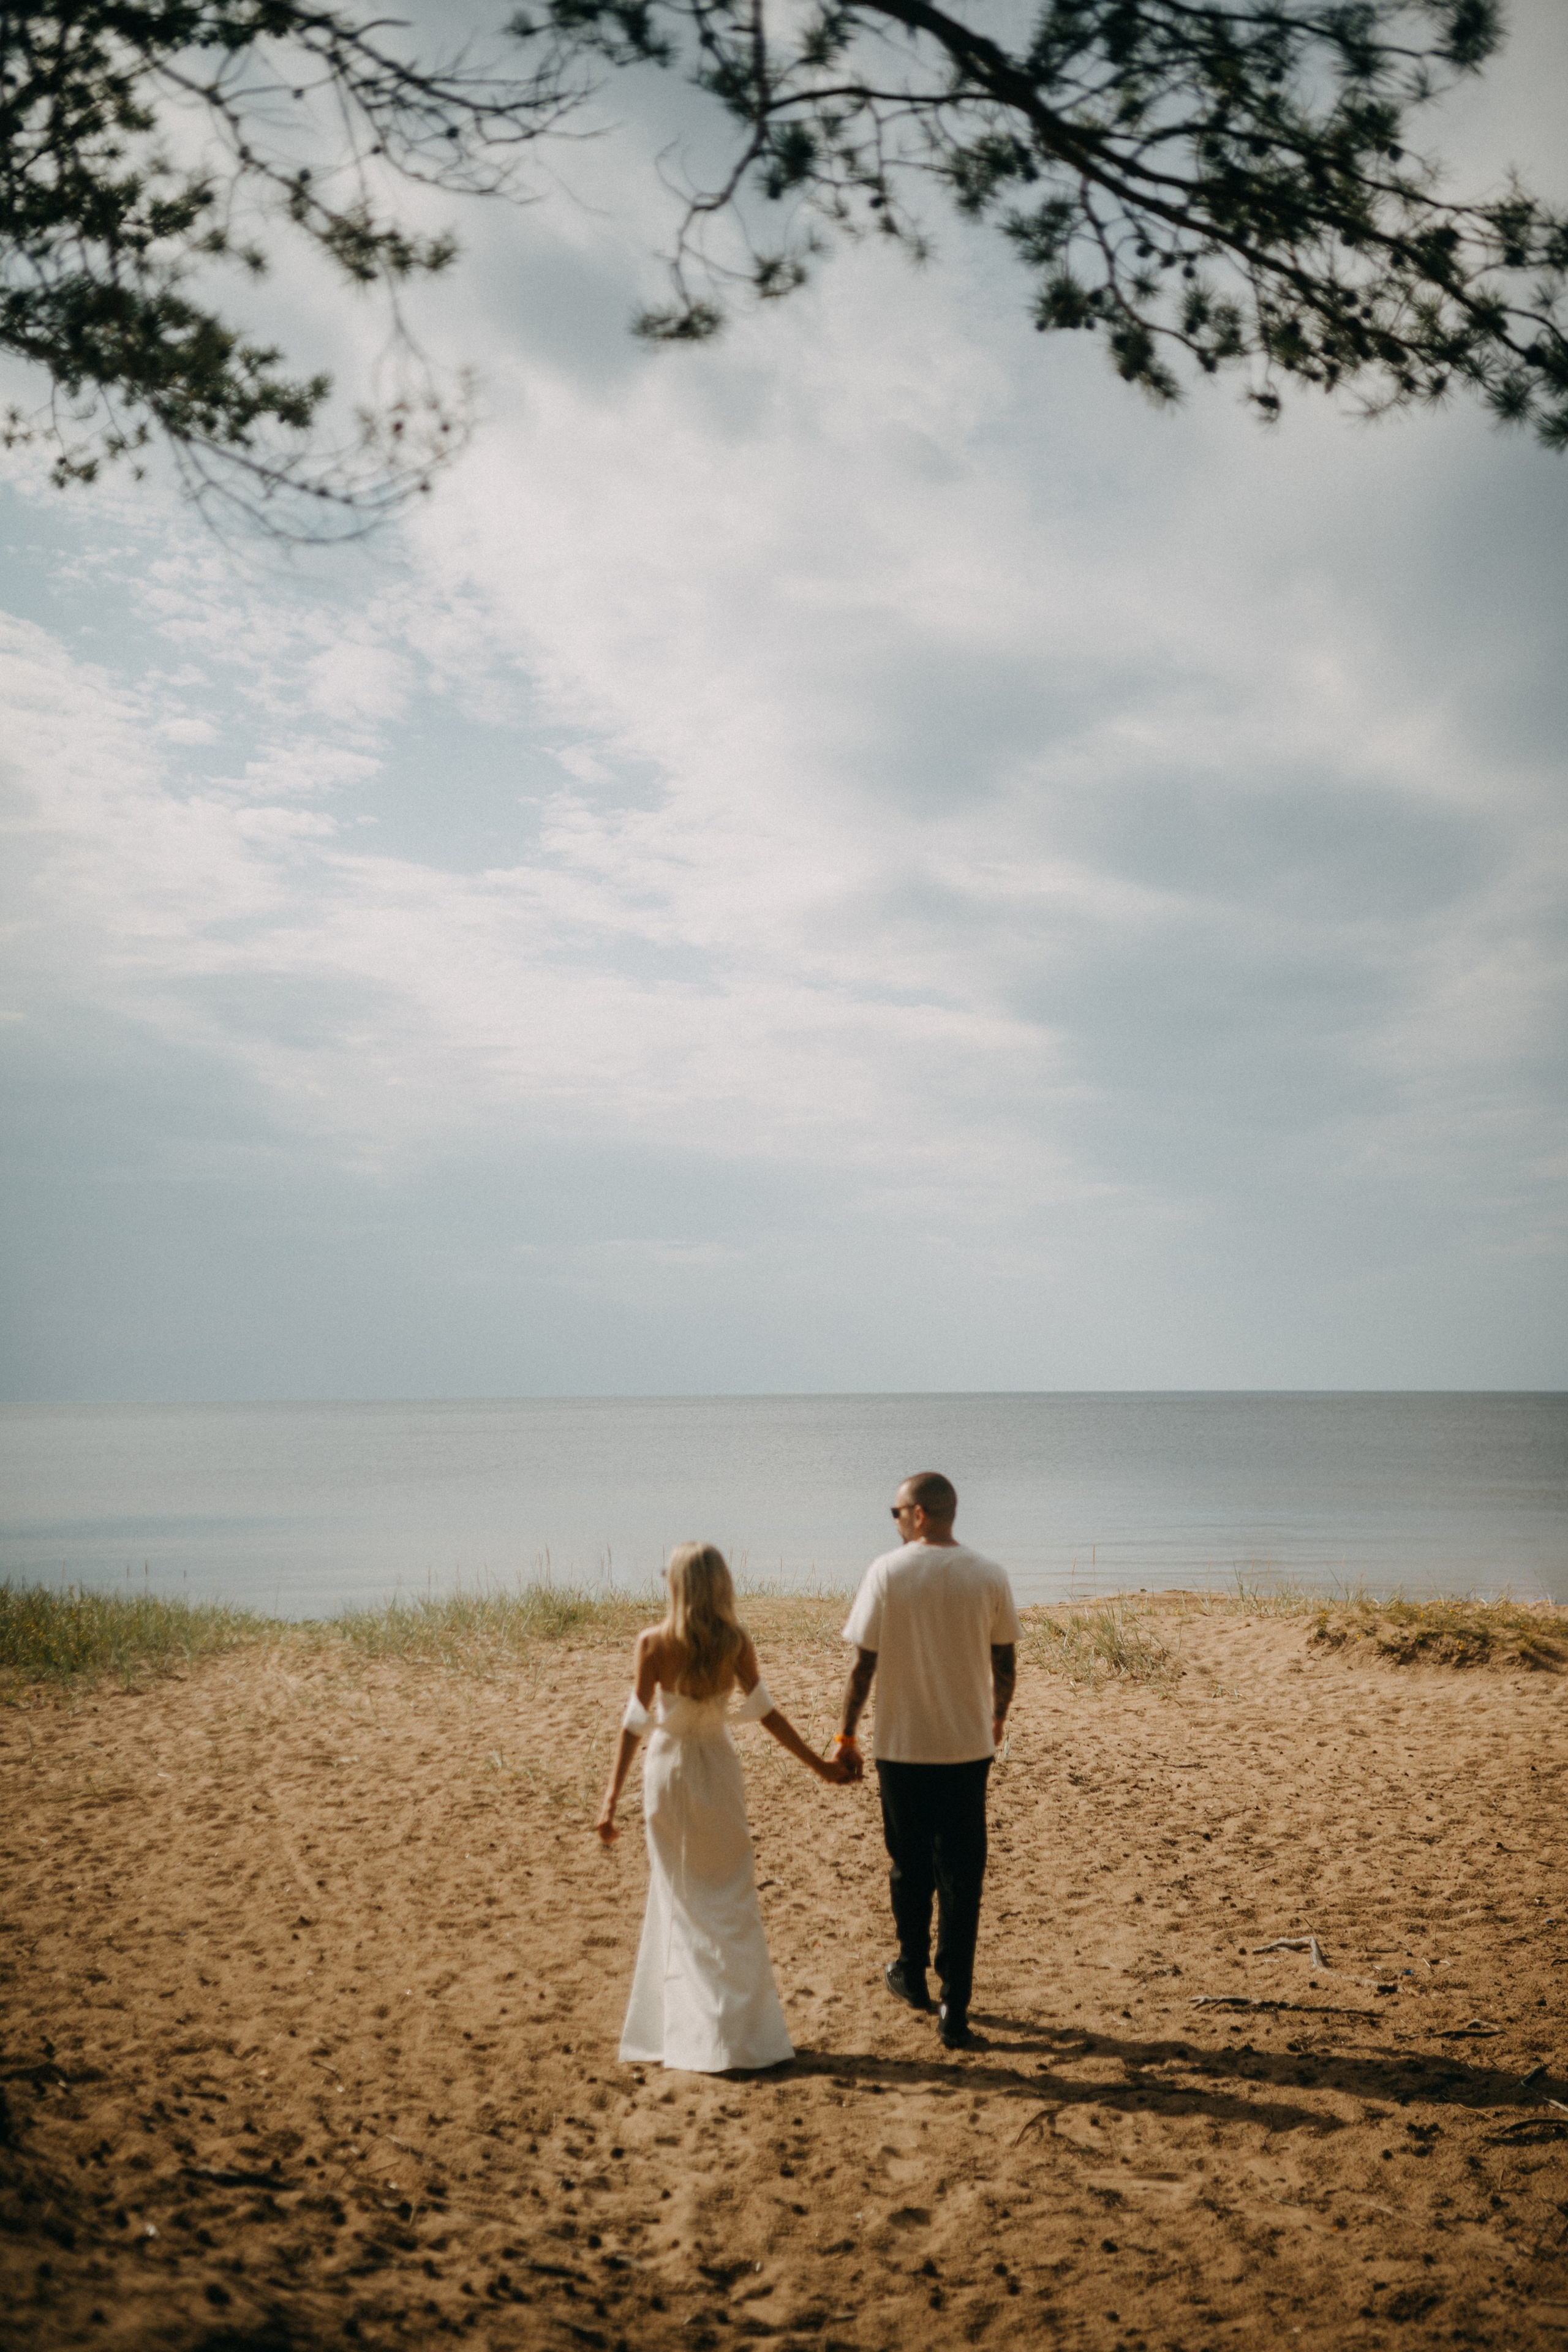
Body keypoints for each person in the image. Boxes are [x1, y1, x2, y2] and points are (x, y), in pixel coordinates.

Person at [597, 1540, 846, 2073]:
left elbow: (635, 1725)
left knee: (681, 1898)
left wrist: (611, 1798)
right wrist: (818, 1765)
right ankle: (740, 2035)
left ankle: (693, 2032)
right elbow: (766, 1714)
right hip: (719, 1769)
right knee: (731, 1897)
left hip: (668, 1774)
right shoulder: (734, 1641)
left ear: (678, 1584)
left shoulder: (653, 1643)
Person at [834, 1472, 1022, 2051]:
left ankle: (912, 1975)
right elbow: (1005, 1661)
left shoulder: (887, 1572)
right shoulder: (989, 1574)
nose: (893, 1521)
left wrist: (846, 1734)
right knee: (962, 1878)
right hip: (967, 1749)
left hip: (901, 1747)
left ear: (917, 1513)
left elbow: (864, 1665)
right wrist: (997, 1716)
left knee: (909, 1865)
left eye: (894, 1512)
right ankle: (954, 2009)